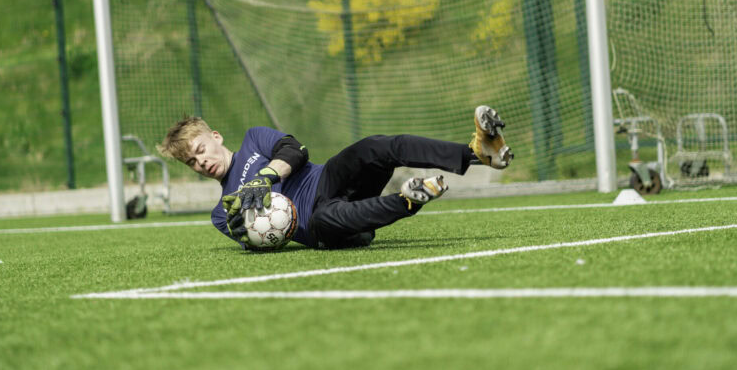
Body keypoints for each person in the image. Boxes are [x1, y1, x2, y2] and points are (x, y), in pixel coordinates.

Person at [157, 106, 514, 250]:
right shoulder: (222, 212)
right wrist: (246, 223)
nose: (201, 162)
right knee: (328, 217)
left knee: (376, 146)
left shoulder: (254, 139)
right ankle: (408, 198)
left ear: (215, 137)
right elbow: (266, 241)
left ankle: (480, 154)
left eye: (200, 150)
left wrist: (264, 178)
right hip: (320, 227)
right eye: (191, 163)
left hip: (327, 179)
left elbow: (296, 152)